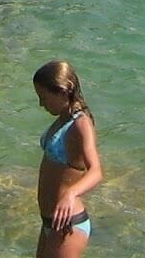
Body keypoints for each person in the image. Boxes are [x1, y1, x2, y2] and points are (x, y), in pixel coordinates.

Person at [31, 59, 102, 255]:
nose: (41, 104)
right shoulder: (63, 119)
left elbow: (96, 171)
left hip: (69, 223)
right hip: (51, 221)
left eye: (44, 98)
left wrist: (71, 194)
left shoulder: (81, 124)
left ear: (63, 91)